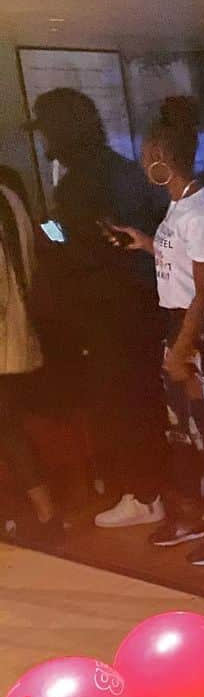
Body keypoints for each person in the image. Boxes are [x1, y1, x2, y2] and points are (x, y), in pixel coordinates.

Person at [110, 97, 204, 566]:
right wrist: (147, 244)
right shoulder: (178, 207)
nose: (142, 160)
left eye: (148, 153)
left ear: (163, 160)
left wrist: (185, 347)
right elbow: (186, 267)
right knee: (183, 431)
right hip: (181, 326)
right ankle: (192, 516)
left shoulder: (202, 211)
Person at [26, 87, 170, 529]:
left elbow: (76, 250)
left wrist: (45, 232)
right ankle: (165, 484)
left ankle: (143, 495)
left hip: (106, 313)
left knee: (121, 403)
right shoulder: (126, 170)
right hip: (147, 303)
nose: (43, 141)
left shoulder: (75, 184)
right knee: (148, 399)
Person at [0, 176, 62, 542]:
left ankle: (43, 515)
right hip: (19, 338)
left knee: (8, 431)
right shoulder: (12, 195)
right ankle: (45, 515)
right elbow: (48, 241)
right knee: (9, 429)